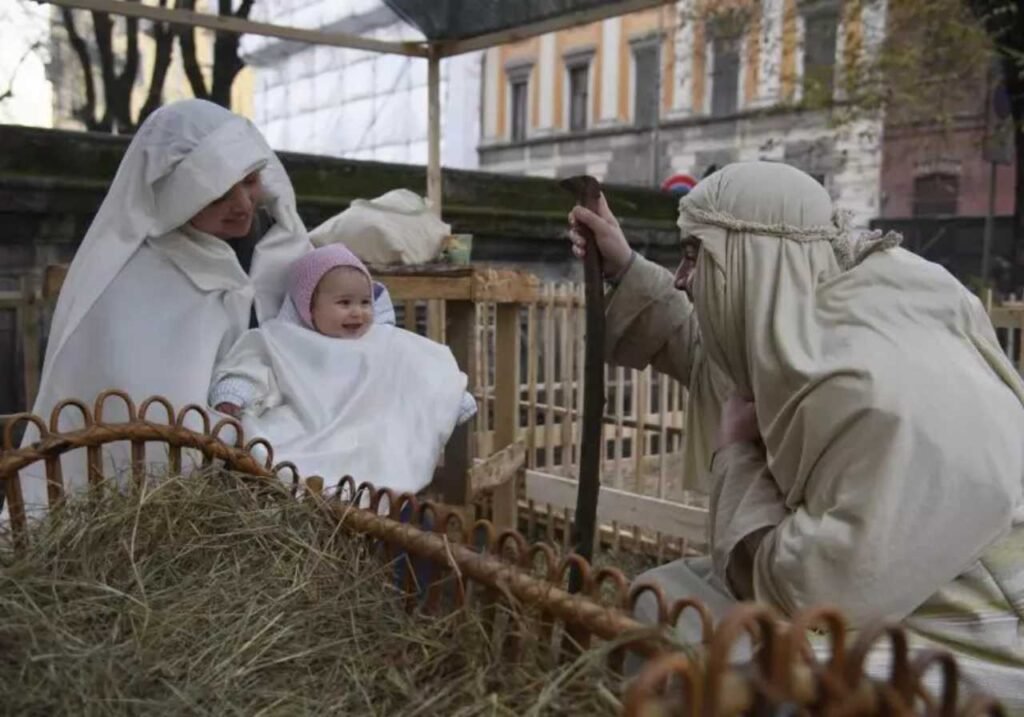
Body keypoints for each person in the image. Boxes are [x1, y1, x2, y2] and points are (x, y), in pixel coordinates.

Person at [568, 161, 1024, 704]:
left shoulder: (873, 390)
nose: (683, 278)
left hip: (962, 634)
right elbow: (711, 353)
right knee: (655, 599)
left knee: (755, 683)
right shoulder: (820, 321)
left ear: (755, 260)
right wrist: (624, 265)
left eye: (694, 254)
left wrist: (737, 454)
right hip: (874, 598)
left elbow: (813, 596)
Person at [7, 99, 338, 520]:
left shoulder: (279, 248)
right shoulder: (129, 280)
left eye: (251, 181)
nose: (242, 205)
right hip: (158, 513)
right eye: (218, 193)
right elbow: (134, 417)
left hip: (273, 478)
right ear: (175, 197)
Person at [208, 243, 476, 496]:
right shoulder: (284, 340)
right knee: (279, 442)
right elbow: (256, 367)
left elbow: (419, 372)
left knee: (384, 449)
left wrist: (450, 397)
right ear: (309, 306)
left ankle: (372, 503)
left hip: (369, 430)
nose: (357, 313)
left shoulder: (383, 341)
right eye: (344, 303)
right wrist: (235, 393)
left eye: (365, 302)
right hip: (307, 427)